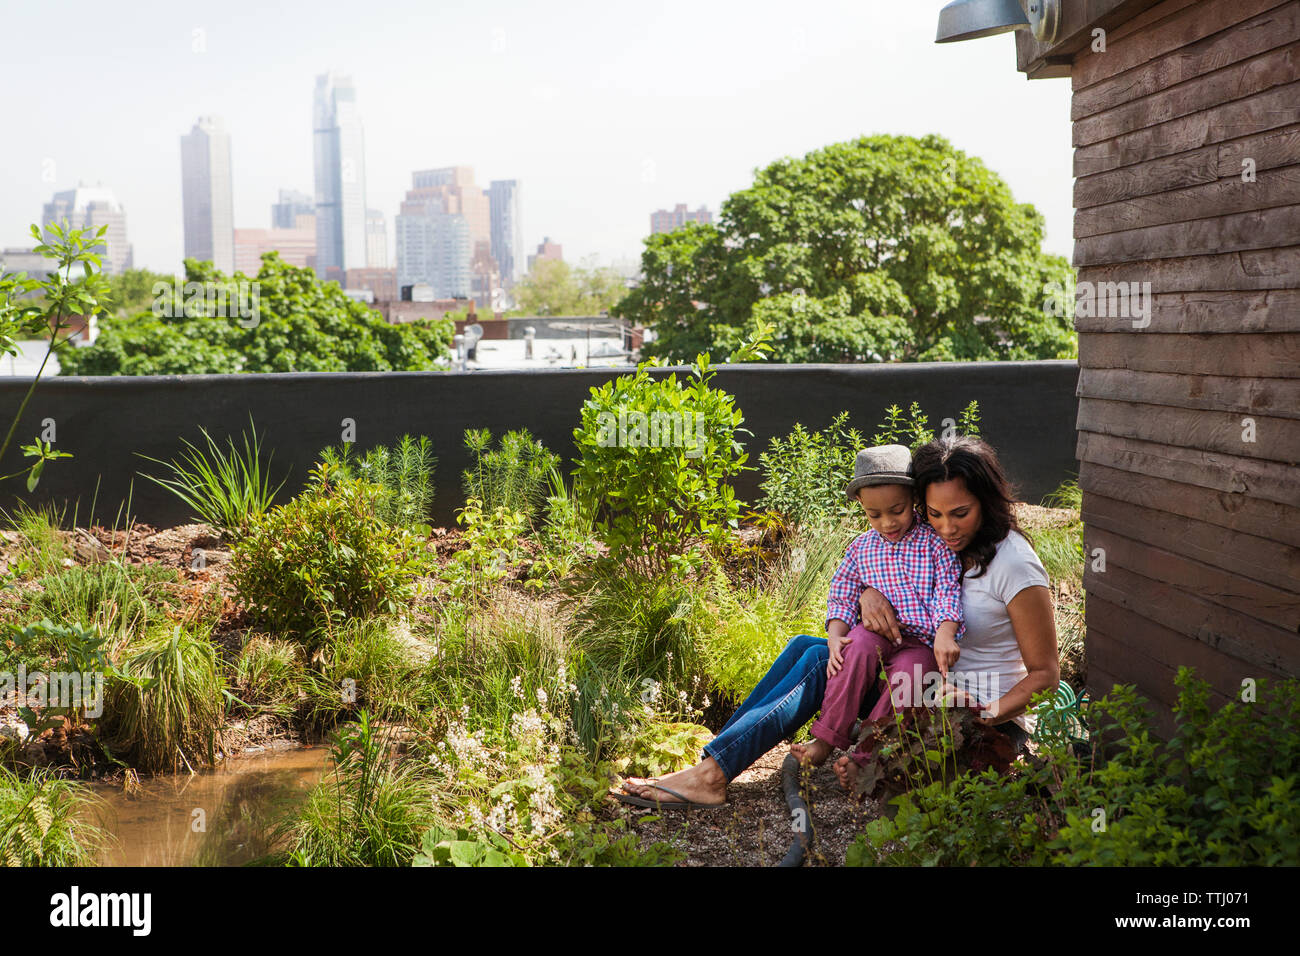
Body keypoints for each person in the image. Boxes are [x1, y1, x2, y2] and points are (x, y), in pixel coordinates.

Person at [617, 434, 1058, 809]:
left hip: (969, 718)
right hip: (915, 690)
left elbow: (1046, 676)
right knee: (810, 648)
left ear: (988, 500)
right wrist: (868, 592)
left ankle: (715, 773)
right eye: (934, 514)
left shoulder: (1013, 564)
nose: (945, 527)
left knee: (816, 661)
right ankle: (714, 763)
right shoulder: (938, 541)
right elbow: (892, 562)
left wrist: (984, 711)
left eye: (959, 513)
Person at [787, 444, 964, 780]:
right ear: (862, 508)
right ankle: (824, 740)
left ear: (913, 499)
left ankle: (865, 758)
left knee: (912, 678)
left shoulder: (934, 544)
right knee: (854, 650)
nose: (887, 522)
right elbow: (841, 593)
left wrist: (945, 633)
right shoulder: (861, 548)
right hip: (875, 634)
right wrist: (835, 637)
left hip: (920, 642)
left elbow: (948, 592)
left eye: (897, 510)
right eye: (874, 514)